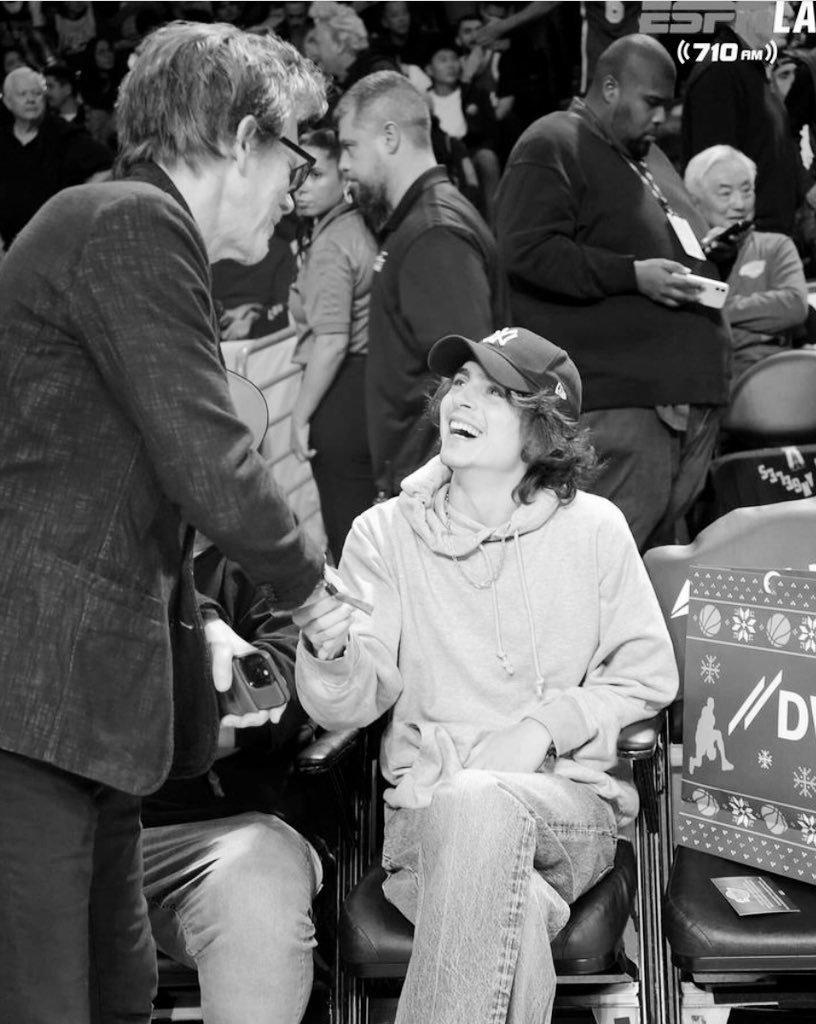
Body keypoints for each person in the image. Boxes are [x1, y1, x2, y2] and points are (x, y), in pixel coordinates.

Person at [0, 22, 345, 1024]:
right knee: (50, 1001)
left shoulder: (115, 225)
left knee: (117, 995)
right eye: (294, 152)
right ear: (242, 139)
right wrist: (313, 594)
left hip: (81, 708)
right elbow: (210, 455)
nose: (296, 184)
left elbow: (117, 487)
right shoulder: (129, 225)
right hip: (35, 691)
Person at [293, 326, 678, 1024]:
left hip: (566, 811)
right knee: (516, 903)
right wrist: (328, 650)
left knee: (480, 801)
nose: (461, 401)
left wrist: (544, 724)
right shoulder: (383, 536)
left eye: (494, 392)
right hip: (427, 826)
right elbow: (348, 703)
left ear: (544, 427)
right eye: (459, 384)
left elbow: (648, 677)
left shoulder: (595, 528)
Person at [494, 34, 731, 551]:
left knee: (650, 568)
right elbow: (526, 251)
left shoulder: (645, 156)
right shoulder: (552, 140)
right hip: (625, 401)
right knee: (601, 569)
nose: (661, 118)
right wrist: (633, 273)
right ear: (608, 86)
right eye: (651, 103)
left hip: (681, 394)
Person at [142, 541, 327, 1024]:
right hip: (57, 817)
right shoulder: (59, 534)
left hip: (219, 832)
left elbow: (273, 707)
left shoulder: (269, 562)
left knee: (256, 896)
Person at [336, 70, 507, 498]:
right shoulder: (422, 224)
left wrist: (428, 493)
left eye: (349, 147)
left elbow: (470, 386)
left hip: (433, 495)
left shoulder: (433, 234)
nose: (343, 165)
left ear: (389, 138)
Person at [290, 126, 378, 563]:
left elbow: (331, 341)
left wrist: (300, 415)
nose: (301, 187)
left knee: (349, 542)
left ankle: (357, 631)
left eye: (315, 175)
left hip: (341, 392)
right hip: (363, 389)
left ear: (344, 180)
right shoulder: (356, 227)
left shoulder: (334, 242)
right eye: (297, 174)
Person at [684, 144, 809, 386]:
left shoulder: (775, 246)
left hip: (771, 374)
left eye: (747, 190)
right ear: (695, 201)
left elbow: (793, 306)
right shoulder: (687, 254)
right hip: (707, 375)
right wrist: (759, 321)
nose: (739, 204)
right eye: (725, 193)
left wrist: (717, 309)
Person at [681, 1, 803, 236]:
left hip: (769, 244)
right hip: (744, 252)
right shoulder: (720, 74)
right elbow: (712, 183)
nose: (789, 12)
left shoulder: (751, 69)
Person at [0, 65, 112, 247]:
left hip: (57, 245)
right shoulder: (2, 140)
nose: (31, 100)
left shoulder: (65, 135)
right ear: (7, 102)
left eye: (36, 94)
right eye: (22, 94)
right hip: (9, 250)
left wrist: (77, 204)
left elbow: (109, 165)